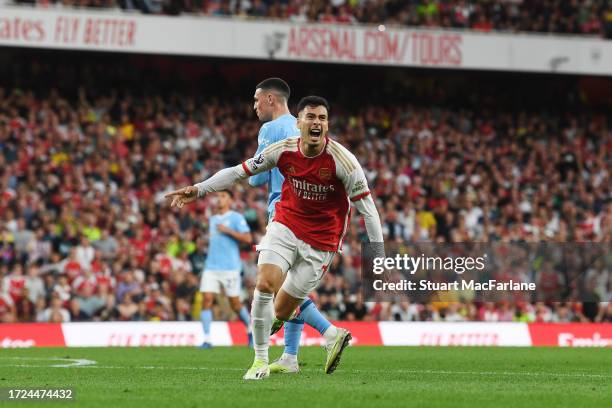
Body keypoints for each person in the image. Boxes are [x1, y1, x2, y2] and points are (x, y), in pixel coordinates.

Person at [166, 96, 383, 380]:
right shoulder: (282, 150)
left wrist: (377, 257)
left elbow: (369, 211)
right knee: (265, 283)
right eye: (311, 117)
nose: (316, 123)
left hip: (321, 243)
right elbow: (238, 173)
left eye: (321, 118)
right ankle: (259, 362)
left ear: (327, 125)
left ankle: (320, 340)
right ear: (299, 123)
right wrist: (199, 189)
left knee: (281, 311)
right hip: (286, 226)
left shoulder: (344, 162)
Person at [249, 77, 336, 374]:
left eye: (257, 99)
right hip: (311, 213)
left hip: (284, 212)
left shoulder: (271, 129)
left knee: (275, 288)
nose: (255, 105)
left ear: (271, 99)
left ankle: (329, 333)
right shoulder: (301, 128)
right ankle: (290, 356)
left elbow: (256, 177)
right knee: (290, 287)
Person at [199, 190, 253, 348]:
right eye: (218, 196)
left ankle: (250, 329)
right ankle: (207, 339)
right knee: (207, 299)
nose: (219, 199)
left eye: (223, 196)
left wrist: (227, 230)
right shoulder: (213, 219)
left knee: (235, 304)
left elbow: (248, 238)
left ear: (230, 200)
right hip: (211, 266)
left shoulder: (236, 218)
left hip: (230, 267)